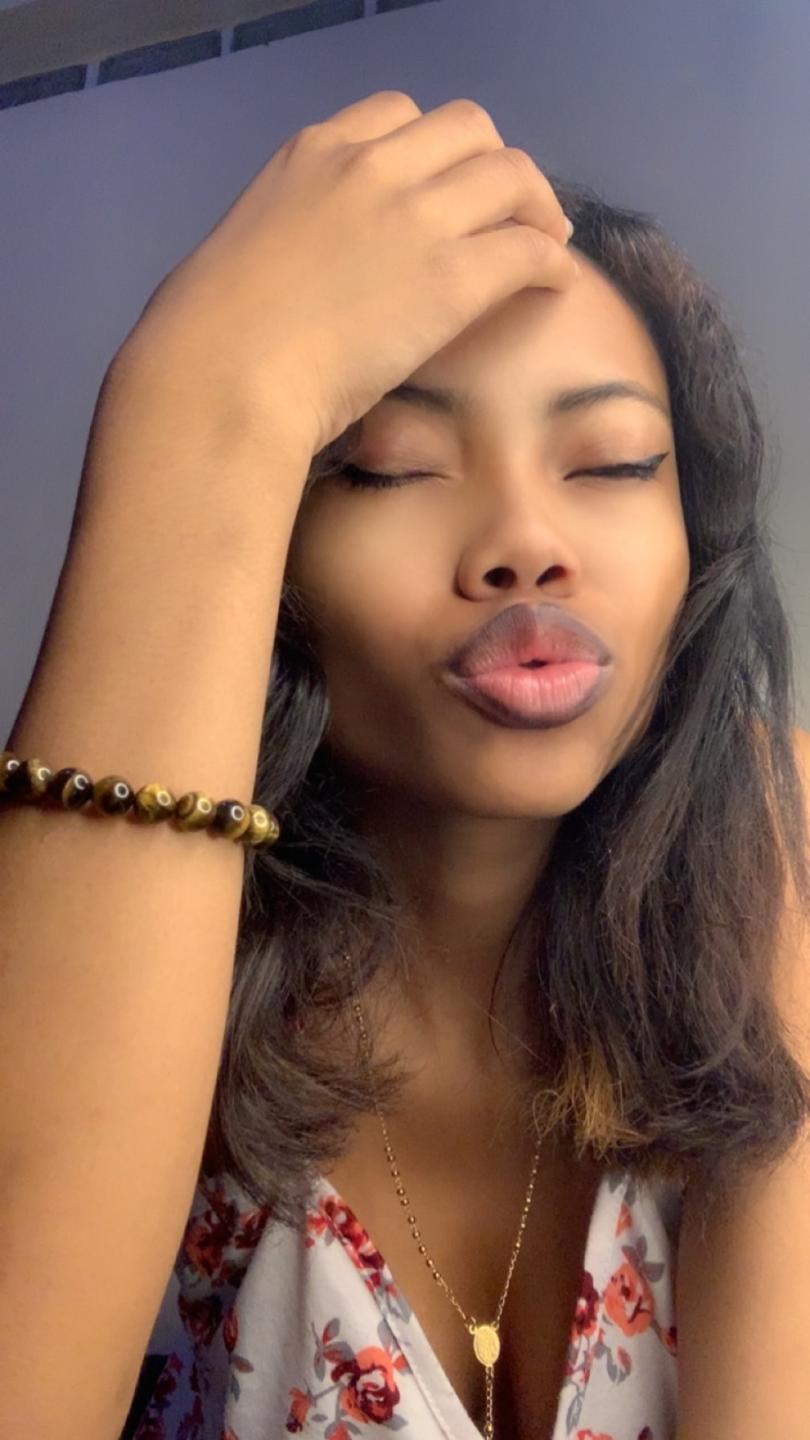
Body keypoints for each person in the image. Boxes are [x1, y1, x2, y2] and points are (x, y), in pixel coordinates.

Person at [2, 92, 809, 1440]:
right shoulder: (113, 973)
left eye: (612, 462)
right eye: (390, 469)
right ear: (258, 558)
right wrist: (192, 394)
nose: (525, 542)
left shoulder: (775, 855)